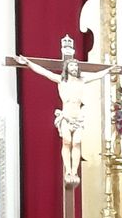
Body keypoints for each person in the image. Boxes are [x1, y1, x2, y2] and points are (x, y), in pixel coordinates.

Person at [14, 37, 115, 189]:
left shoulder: (83, 80)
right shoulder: (62, 81)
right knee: (67, 142)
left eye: (76, 66)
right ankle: (68, 170)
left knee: (77, 143)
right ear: (67, 68)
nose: (74, 68)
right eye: (72, 66)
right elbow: (44, 72)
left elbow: (98, 75)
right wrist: (28, 63)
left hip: (78, 118)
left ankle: (75, 171)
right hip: (66, 117)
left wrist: (109, 70)